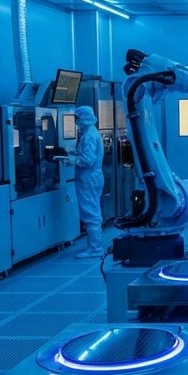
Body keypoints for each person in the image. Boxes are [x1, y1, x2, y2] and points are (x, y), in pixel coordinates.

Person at [66, 105, 105, 259]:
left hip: (88, 177)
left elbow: (87, 161)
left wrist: (71, 159)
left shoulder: (89, 135)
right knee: (93, 210)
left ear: (83, 118)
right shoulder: (92, 132)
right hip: (94, 176)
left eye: (77, 118)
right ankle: (95, 246)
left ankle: (95, 249)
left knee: (91, 213)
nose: (76, 122)